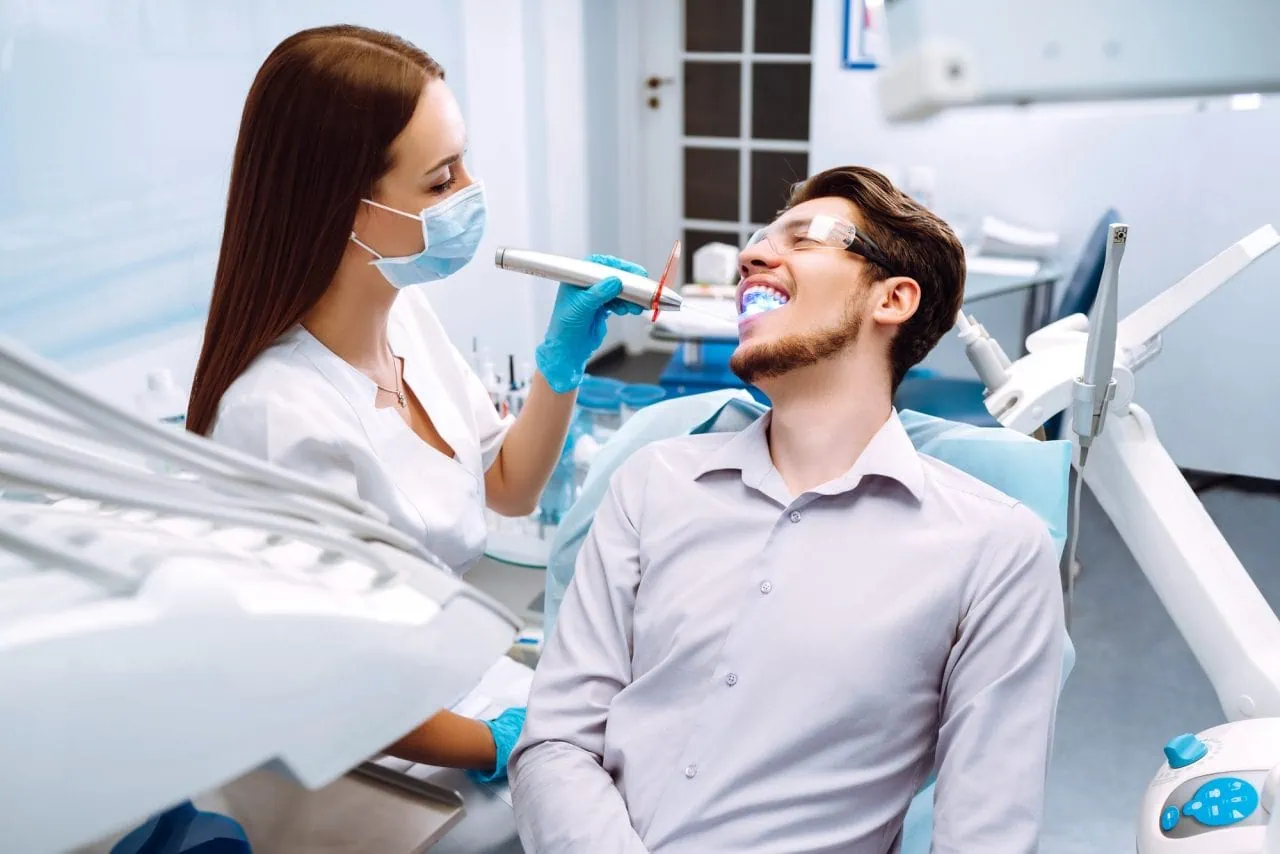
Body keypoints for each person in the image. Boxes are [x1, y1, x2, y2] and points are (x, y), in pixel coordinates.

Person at [511, 166, 1066, 853]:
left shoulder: (994, 549)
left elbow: (986, 834)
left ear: (892, 298)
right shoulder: (652, 483)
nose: (751, 257)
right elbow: (557, 741)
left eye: (805, 238)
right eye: (757, 242)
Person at [186, 26, 643, 788]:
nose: (469, 193)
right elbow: (323, 697)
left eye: (463, 163)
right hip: (371, 760)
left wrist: (559, 366)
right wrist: (498, 744)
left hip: (456, 683)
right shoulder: (280, 417)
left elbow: (509, 488)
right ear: (345, 206)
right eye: (440, 181)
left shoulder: (406, 319)